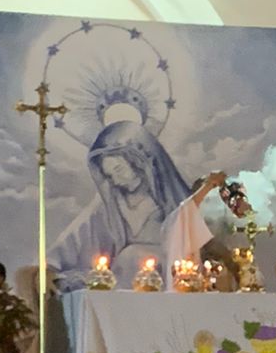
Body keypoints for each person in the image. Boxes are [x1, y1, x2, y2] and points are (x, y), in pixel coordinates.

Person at [49, 116, 227, 289]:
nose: (116, 180)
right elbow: (71, 244)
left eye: (118, 169)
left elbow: (199, 243)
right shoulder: (108, 207)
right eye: (110, 176)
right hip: (124, 295)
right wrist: (47, 267)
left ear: (139, 160)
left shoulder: (174, 202)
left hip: (168, 289)